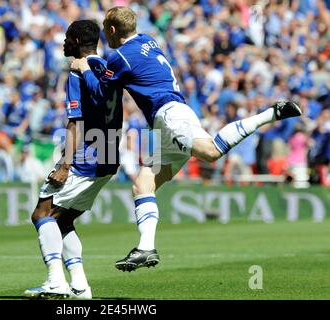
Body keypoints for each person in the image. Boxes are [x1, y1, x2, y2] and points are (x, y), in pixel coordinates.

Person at [71, 6, 302, 272]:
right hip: (169, 120)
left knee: (212, 151)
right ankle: (145, 247)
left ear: (111, 31)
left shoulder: (120, 56)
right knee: (142, 185)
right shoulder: (148, 41)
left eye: (105, 32)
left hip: (170, 117)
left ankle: (272, 113)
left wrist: (84, 66)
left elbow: (100, 93)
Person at [24, 19, 123, 299]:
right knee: (63, 220)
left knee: (42, 213)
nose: (64, 42)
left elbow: (75, 122)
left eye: (68, 38)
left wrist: (65, 164)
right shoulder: (108, 68)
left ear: (77, 41)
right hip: (109, 155)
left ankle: (56, 281)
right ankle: (79, 286)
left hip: (86, 157)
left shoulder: (79, 70)